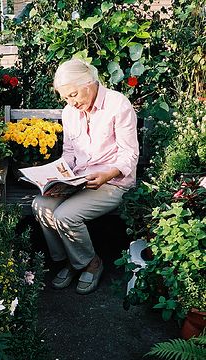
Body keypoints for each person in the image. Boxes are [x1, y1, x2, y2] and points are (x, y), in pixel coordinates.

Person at [32, 59, 139, 294]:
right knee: (40, 204)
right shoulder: (70, 112)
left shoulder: (117, 104)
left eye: (73, 95)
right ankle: (71, 260)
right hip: (78, 180)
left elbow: (129, 154)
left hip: (112, 182)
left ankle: (91, 263)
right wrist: (50, 175)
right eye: (66, 98)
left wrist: (107, 173)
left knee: (65, 215)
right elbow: (69, 154)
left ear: (89, 83)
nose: (71, 102)